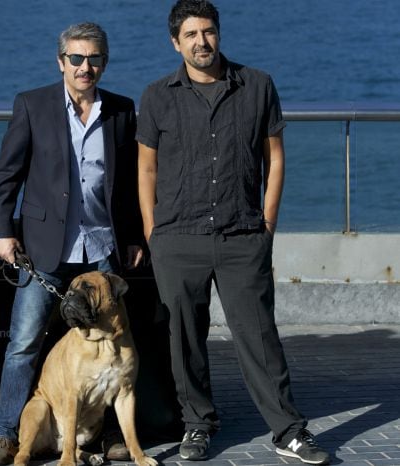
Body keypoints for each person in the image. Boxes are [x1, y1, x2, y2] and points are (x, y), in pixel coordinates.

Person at [136, 1, 330, 464]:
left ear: (218, 34)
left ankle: (287, 429)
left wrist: (268, 223)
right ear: (175, 42)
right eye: (191, 35)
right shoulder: (157, 95)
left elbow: (275, 157)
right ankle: (197, 425)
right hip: (177, 236)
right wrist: (153, 233)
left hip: (243, 234)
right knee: (183, 339)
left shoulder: (257, 85)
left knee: (259, 334)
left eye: (208, 32)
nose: (201, 42)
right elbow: (146, 168)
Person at [0, 22, 143, 465]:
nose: (85, 66)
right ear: (61, 62)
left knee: (117, 343)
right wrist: (3, 231)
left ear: (104, 62)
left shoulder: (120, 110)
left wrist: (130, 236)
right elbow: (7, 176)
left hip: (102, 248)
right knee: (23, 343)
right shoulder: (32, 105)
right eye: (76, 58)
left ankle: (112, 433)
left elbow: (127, 184)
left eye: (94, 58)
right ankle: (5, 433)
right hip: (45, 248)